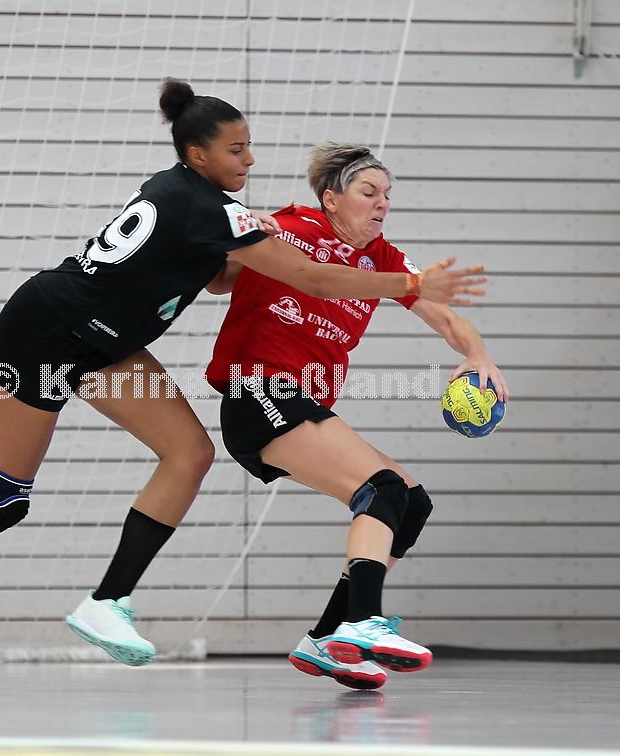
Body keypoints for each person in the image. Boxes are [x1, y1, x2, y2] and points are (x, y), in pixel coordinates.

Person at [0, 84, 488, 678]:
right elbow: (314, 278)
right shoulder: (204, 206)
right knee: (4, 500)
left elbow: (218, 277)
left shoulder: (204, 204)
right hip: (41, 333)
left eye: (248, 146)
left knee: (190, 452)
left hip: (106, 344)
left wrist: (251, 235)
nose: (250, 159)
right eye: (236, 149)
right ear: (198, 154)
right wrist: (411, 282)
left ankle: (107, 602)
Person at [206, 143, 508, 690]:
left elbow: (448, 320)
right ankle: (364, 621)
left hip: (301, 402)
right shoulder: (289, 228)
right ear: (331, 199)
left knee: (410, 503)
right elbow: (217, 275)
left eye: (387, 194)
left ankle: (326, 639)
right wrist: (242, 232)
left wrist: (478, 354)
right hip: (257, 392)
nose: (382, 203)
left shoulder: (384, 260)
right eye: (369, 192)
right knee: (381, 489)